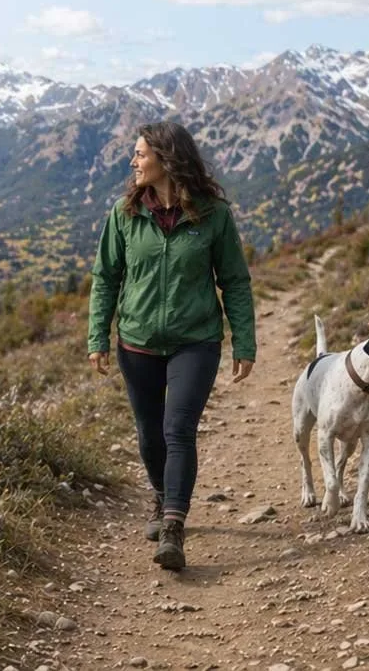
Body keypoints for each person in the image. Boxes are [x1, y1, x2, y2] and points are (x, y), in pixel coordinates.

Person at [85, 121, 256, 571]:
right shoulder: (124, 214)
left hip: (195, 342)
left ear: (166, 158)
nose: (133, 162)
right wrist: (97, 336)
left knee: (177, 429)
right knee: (149, 435)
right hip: (137, 342)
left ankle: (174, 528)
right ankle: (162, 497)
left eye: (141, 154)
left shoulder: (213, 215)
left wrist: (244, 341)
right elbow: (106, 279)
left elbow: (234, 281)